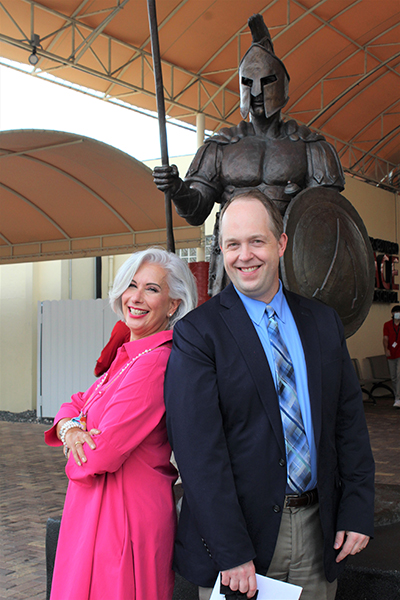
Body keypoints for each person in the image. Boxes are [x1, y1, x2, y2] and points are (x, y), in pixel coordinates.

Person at [164, 190, 374, 600]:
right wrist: (231, 551)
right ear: (222, 250)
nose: (245, 256)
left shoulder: (322, 322)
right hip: (242, 546)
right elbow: (198, 453)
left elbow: (348, 424)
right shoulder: (197, 334)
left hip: (319, 533)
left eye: (256, 241)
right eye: (232, 244)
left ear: (280, 244)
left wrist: (357, 508)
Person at [153, 14, 344, 296]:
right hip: (236, 262)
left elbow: (326, 219)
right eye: (248, 82)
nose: (256, 91)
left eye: (266, 81)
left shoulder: (310, 146)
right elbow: (197, 210)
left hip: (291, 264)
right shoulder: (221, 146)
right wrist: (178, 189)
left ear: (282, 86)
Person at [45, 247, 198, 600]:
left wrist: (74, 440)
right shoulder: (127, 355)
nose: (136, 297)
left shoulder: (155, 363)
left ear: (173, 304)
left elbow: (98, 457)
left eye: (152, 289)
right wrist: (72, 429)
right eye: (132, 285)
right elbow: (74, 403)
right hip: (97, 511)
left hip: (124, 517)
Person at [383, 305, 400, 408]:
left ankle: (398, 398)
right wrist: (386, 349)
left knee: (399, 375)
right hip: (391, 354)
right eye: (396, 312)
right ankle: (396, 395)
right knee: (393, 377)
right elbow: (385, 338)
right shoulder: (387, 325)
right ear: (392, 314)